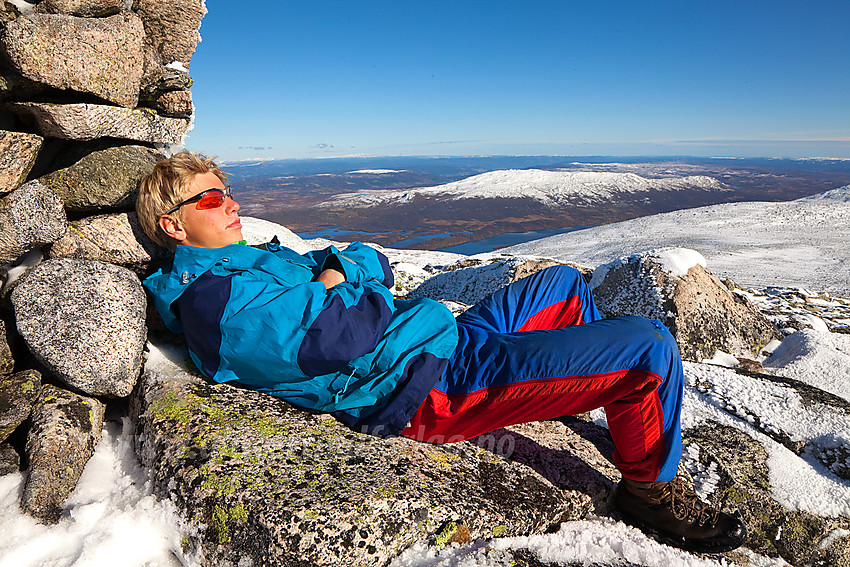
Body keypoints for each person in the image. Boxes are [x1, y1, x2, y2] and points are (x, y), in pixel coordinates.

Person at [137, 151, 747, 553]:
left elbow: (361, 262)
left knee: (561, 284)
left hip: (431, 341)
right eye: (212, 199)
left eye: (227, 191)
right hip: (425, 386)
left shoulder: (248, 263)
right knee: (650, 348)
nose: (233, 202)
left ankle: (576, 394)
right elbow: (338, 334)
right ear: (173, 224)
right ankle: (651, 494)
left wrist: (341, 279)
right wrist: (343, 281)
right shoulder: (216, 301)